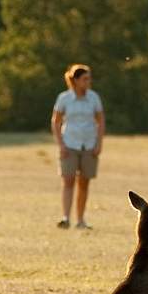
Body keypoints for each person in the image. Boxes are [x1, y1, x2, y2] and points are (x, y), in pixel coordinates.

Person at [52, 64, 104, 229]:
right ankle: (66, 217)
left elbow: (100, 121)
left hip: (88, 144)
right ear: (75, 80)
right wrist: (60, 144)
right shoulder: (64, 98)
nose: (88, 82)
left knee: (84, 182)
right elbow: (56, 121)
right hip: (70, 144)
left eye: (89, 78)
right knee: (68, 180)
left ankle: (80, 220)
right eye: (85, 79)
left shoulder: (94, 98)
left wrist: (98, 143)